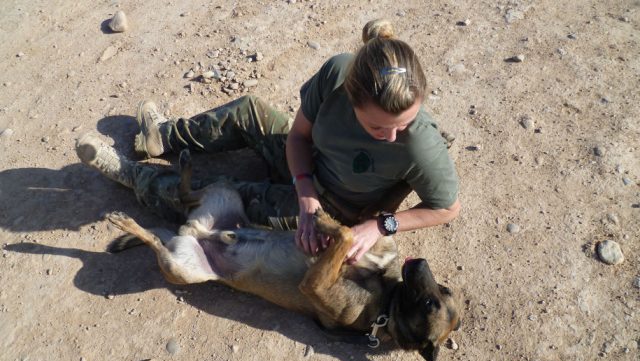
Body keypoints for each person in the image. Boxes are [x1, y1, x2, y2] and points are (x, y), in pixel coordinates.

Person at [76, 19, 460, 264]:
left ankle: (133, 176)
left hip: (336, 205)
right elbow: (297, 137)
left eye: (404, 123)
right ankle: (164, 137)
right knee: (248, 110)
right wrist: (304, 185)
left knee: (221, 199)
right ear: (351, 97)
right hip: (312, 167)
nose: (392, 136)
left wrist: (380, 225)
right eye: (378, 128)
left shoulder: (419, 145)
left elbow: (446, 208)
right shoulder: (338, 73)